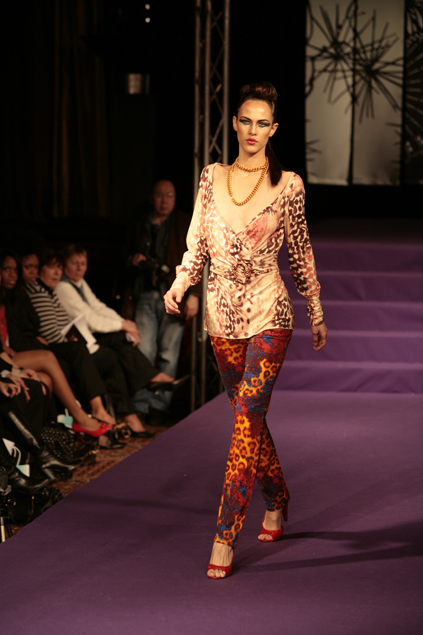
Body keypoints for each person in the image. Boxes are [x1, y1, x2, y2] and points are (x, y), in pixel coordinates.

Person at [164, 81, 328, 579]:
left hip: (270, 312)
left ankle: (225, 533)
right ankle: (276, 498)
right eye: (246, 121)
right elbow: (197, 240)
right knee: (247, 417)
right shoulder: (211, 177)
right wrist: (180, 283)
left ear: (273, 129)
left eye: (263, 123)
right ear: (234, 123)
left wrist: (315, 307)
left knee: (247, 415)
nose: (253, 130)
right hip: (221, 318)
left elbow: (299, 249)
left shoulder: (289, 184)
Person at [25, 250, 176, 438]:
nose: (78, 268)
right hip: (76, 343)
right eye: (73, 263)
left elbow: (97, 307)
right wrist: (123, 325)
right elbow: (88, 320)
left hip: (80, 340)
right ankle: (138, 392)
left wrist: (125, 324)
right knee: (113, 353)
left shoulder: (68, 286)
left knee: (119, 343)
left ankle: (134, 401)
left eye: (82, 263)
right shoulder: (60, 288)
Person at [125, 179, 201, 425]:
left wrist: (194, 295)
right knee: (144, 352)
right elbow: (123, 254)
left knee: (169, 353)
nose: (164, 200)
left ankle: (159, 407)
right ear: (151, 198)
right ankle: (141, 405)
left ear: (175, 199)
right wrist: (132, 259)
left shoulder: (184, 222)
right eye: (159, 195)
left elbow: (198, 257)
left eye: (169, 195)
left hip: (174, 295)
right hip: (145, 294)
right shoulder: (140, 222)